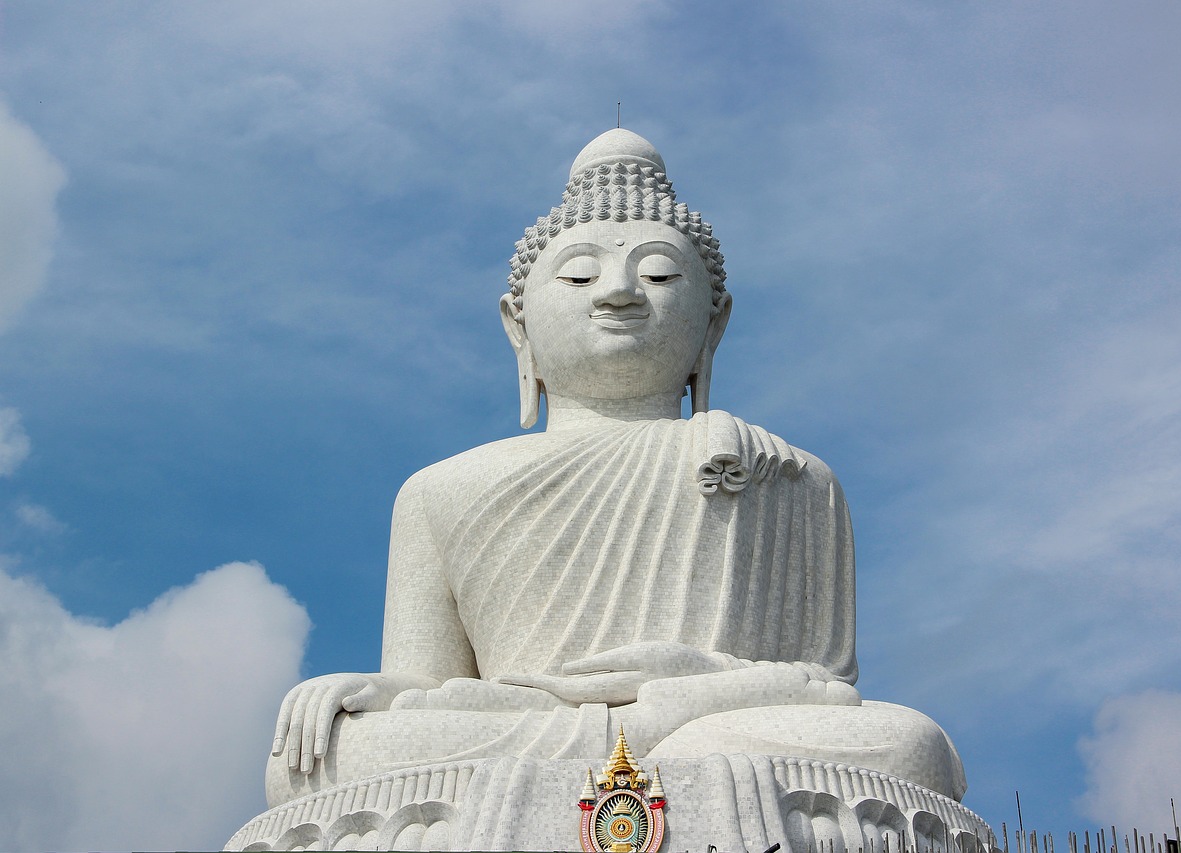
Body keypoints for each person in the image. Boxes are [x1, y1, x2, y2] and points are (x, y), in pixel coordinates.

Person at [265, 130, 965, 809]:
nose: (620, 292)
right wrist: (377, 694)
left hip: (711, 721)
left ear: (713, 323)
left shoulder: (791, 476)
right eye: (578, 273)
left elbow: (825, 688)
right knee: (322, 758)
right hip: (530, 725)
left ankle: (652, 750)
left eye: (659, 272)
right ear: (518, 323)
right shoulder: (438, 490)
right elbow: (423, 681)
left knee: (908, 744)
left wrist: (689, 692)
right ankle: (653, 752)